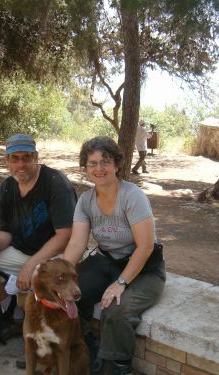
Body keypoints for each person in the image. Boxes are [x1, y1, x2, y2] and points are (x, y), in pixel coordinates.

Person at [63, 136, 165, 375]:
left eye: (105, 162)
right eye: (92, 163)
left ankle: (117, 368)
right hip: (106, 261)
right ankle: (86, 347)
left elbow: (145, 247)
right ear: (85, 167)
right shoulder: (86, 201)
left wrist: (121, 283)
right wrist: (62, 274)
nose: (99, 169)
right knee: (67, 295)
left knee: (116, 310)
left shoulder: (132, 196)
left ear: (117, 165)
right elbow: (77, 243)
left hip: (144, 267)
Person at [0, 134, 77, 312]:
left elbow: (65, 236)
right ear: (7, 160)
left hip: (56, 256)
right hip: (22, 251)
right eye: (15, 159)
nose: (21, 165)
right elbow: (5, 232)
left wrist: (30, 266)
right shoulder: (7, 187)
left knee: (48, 278)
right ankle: (7, 311)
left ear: (36, 157)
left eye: (26, 158)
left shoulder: (56, 183)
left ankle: (46, 320)